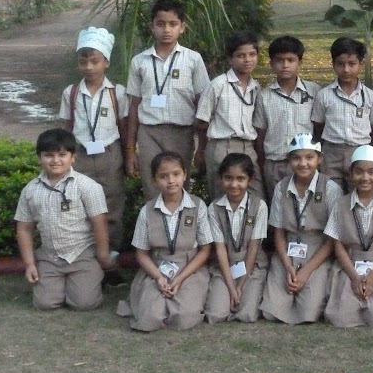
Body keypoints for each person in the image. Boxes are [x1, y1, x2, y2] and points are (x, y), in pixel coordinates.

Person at [14, 128, 113, 311]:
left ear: (73, 157)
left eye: (62, 154)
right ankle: (59, 285)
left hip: (82, 255)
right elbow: (24, 229)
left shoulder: (88, 187)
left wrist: (103, 256)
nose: (55, 161)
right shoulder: (30, 190)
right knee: (45, 303)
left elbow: (99, 223)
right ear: (39, 157)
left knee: (84, 303)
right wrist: (29, 264)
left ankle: (91, 279)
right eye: (48, 155)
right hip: (50, 257)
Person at [125, 0, 210, 199]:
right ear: (151, 27)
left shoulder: (193, 59)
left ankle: (179, 229)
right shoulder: (140, 62)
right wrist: (130, 150)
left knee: (178, 187)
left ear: (182, 27)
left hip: (181, 132)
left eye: (173, 24)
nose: (167, 30)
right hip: (149, 133)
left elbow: (203, 103)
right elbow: (134, 106)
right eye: (160, 24)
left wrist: (202, 147)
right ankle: (155, 228)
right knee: (153, 186)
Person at [117, 151, 212, 331]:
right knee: (149, 318)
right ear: (154, 180)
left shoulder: (198, 206)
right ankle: (156, 301)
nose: (171, 180)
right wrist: (159, 277)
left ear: (184, 175)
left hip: (189, 268)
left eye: (176, 174)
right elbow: (142, 253)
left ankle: (179, 300)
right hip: (157, 267)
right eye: (163, 176)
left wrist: (181, 278)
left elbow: (205, 250)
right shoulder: (147, 210)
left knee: (184, 318)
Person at [59, 27, 129, 257]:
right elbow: (67, 127)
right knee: (81, 203)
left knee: (113, 203)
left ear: (106, 62)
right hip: (81, 155)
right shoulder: (71, 93)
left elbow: (124, 126)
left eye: (94, 61)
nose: (89, 67)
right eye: (83, 61)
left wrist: (129, 156)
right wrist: (65, 158)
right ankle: (87, 255)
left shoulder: (117, 93)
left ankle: (112, 255)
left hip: (111, 154)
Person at [261, 133, 343, 324]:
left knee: (308, 313)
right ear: (289, 160)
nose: (303, 163)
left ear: (319, 159)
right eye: (296, 158)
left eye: (309, 157)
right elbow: (279, 232)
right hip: (288, 249)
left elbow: (332, 238)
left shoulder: (331, 189)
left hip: (317, 249)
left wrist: (306, 272)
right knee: (272, 311)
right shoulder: (281, 188)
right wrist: (288, 265)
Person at [323, 146, 373, 327]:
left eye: (371, 172)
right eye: (359, 172)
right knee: (343, 316)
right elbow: (338, 245)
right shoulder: (341, 204)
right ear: (351, 175)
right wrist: (353, 276)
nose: (365, 177)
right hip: (350, 264)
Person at [195, 31, 262, 200]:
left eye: (252, 55)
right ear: (230, 59)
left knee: (255, 197)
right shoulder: (218, 85)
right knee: (222, 197)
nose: (247, 60)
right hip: (221, 146)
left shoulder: (256, 87)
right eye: (240, 55)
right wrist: (201, 151)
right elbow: (201, 122)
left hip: (248, 146)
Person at [253, 35, 321, 202]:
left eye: (291, 60)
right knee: (277, 206)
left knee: (306, 206)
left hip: (305, 163)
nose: (285, 65)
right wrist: (263, 164)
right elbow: (260, 134)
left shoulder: (314, 92)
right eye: (279, 60)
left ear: (300, 62)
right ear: (271, 63)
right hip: (275, 162)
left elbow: (319, 128)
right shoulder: (264, 96)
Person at [204, 153, 268, 324]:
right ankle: (226, 295)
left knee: (247, 314)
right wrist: (232, 287)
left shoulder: (259, 206)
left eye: (240, 179)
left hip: (252, 267)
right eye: (228, 178)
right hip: (224, 268)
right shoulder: (214, 208)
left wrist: (240, 286)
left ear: (250, 180)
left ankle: (248, 292)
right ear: (221, 179)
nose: (234, 184)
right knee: (215, 315)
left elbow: (254, 247)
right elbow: (220, 249)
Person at [311, 37, 373, 183]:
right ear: (333, 64)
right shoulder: (324, 95)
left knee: (358, 191)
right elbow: (318, 127)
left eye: (352, 64)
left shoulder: (370, 97)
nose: (346, 70)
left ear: (360, 65)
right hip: (331, 153)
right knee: (330, 192)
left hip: (359, 152)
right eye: (340, 64)